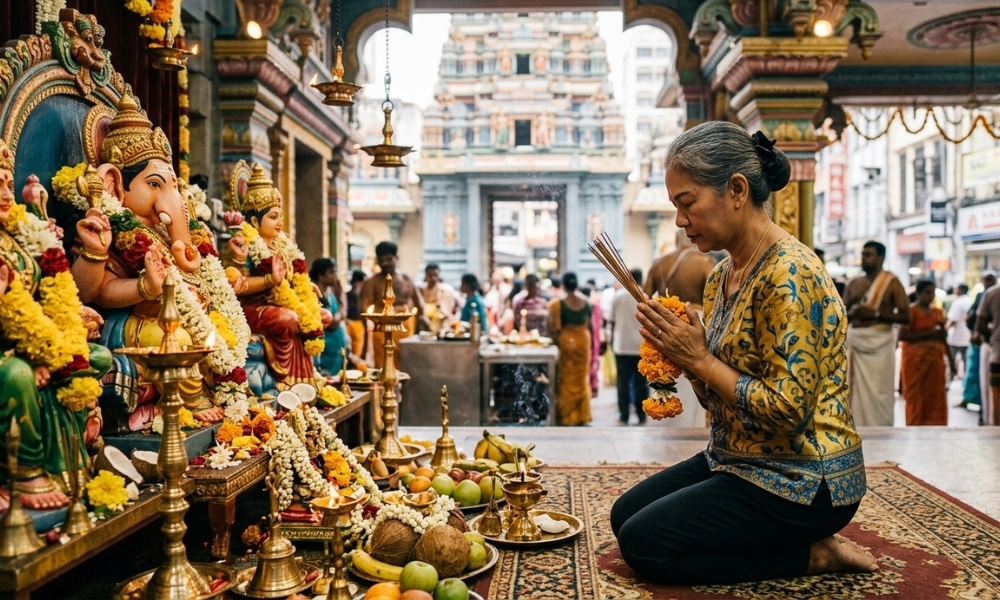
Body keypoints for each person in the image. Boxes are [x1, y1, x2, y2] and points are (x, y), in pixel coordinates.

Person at [612, 122, 874, 585]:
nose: (679, 221)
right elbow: (719, 398)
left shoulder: (789, 275)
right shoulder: (721, 277)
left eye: (687, 203)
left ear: (736, 189)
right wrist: (682, 354)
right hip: (735, 457)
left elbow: (788, 411)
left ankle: (811, 556)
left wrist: (698, 359)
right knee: (625, 516)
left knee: (645, 545)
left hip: (804, 479)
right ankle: (779, 541)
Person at [0, 138, 111, 510]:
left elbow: (45, 295)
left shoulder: (19, 239)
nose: (3, 193)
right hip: (11, 355)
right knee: (17, 375)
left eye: (5, 183)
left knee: (96, 357)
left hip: (33, 342)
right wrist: (32, 355)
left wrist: (66, 324)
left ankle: (70, 466)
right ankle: (26, 472)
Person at [232, 162, 326, 391]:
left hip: (283, 304)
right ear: (254, 221)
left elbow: (293, 279)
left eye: (280, 216)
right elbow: (236, 286)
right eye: (273, 217)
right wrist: (269, 281)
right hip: (254, 308)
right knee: (289, 319)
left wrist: (308, 287)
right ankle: (284, 378)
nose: (280, 222)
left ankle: (309, 376)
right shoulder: (245, 244)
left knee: (322, 316)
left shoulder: (283, 245)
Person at [843, 241, 911, 426]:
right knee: (853, 389)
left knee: (880, 390)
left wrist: (877, 314)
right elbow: (840, 314)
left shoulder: (892, 283)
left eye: (869, 255)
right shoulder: (854, 284)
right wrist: (855, 313)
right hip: (856, 341)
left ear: (881, 257)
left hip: (879, 343)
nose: (864, 258)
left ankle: (881, 427)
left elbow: (905, 316)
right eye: (863, 254)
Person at [358, 241, 429, 368]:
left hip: (406, 329)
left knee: (407, 365)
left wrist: (423, 325)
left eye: (389, 259)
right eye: (382, 260)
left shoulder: (406, 279)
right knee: (384, 366)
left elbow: (420, 304)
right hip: (381, 330)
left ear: (396, 258)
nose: (385, 263)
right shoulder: (371, 282)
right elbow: (364, 307)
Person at [899, 279, 953, 425]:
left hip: (935, 362)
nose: (931, 296)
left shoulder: (937, 312)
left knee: (935, 396)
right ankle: (915, 424)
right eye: (927, 292)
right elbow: (903, 336)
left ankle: (936, 426)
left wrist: (952, 361)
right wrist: (929, 334)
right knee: (915, 396)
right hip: (915, 363)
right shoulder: (910, 312)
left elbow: (943, 337)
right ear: (918, 293)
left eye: (933, 292)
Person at [548, 272, 592, 426]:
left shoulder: (557, 304)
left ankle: (567, 416)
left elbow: (554, 328)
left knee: (566, 377)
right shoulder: (587, 302)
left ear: (563, 285)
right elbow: (589, 324)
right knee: (581, 377)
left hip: (567, 342)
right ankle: (582, 415)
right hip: (583, 341)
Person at [310, 258, 365, 377]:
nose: (336, 276)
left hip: (336, 354)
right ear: (321, 275)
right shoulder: (315, 295)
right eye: (331, 272)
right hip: (325, 355)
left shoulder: (329, 293)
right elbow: (333, 322)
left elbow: (341, 317)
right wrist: (340, 299)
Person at [609, 268, 647, 425]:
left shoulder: (618, 296)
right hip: (641, 346)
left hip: (622, 346)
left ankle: (624, 415)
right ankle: (641, 415)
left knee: (622, 382)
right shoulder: (645, 296)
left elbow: (611, 320)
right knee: (641, 384)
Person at [644, 228, 715, 311]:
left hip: (664, 320)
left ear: (676, 240)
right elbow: (714, 303)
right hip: (694, 320)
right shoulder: (705, 263)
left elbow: (645, 300)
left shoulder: (658, 263)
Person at [975, 278, 1000, 426]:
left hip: (997, 355)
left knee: (995, 401)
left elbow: (980, 326)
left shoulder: (992, 294)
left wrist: (994, 335)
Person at [418, 263, 459, 336]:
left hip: (439, 326)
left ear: (438, 276)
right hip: (422, 326)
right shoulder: (420, 290)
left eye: (435, 275)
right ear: (426, 275)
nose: (432, 278)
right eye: (430, 275)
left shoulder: (445, 291)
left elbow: (446, 312)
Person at [945, 283, 973, 380]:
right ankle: (966, 377)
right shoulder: (970, 301)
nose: (955, 291)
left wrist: (946, 329)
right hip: (967, 335)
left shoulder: (958, 302)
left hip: (956, 336)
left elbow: (953, 320)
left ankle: (952, 375)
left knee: (952, 358)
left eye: (956, 289)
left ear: (961, 290)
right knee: (966, 359)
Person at [345, 269, 367, 359]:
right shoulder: (349, 295)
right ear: (357, 282)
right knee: (353, 350)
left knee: (356, 350)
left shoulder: (354, 294)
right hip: (351, 324)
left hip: (356, 323)